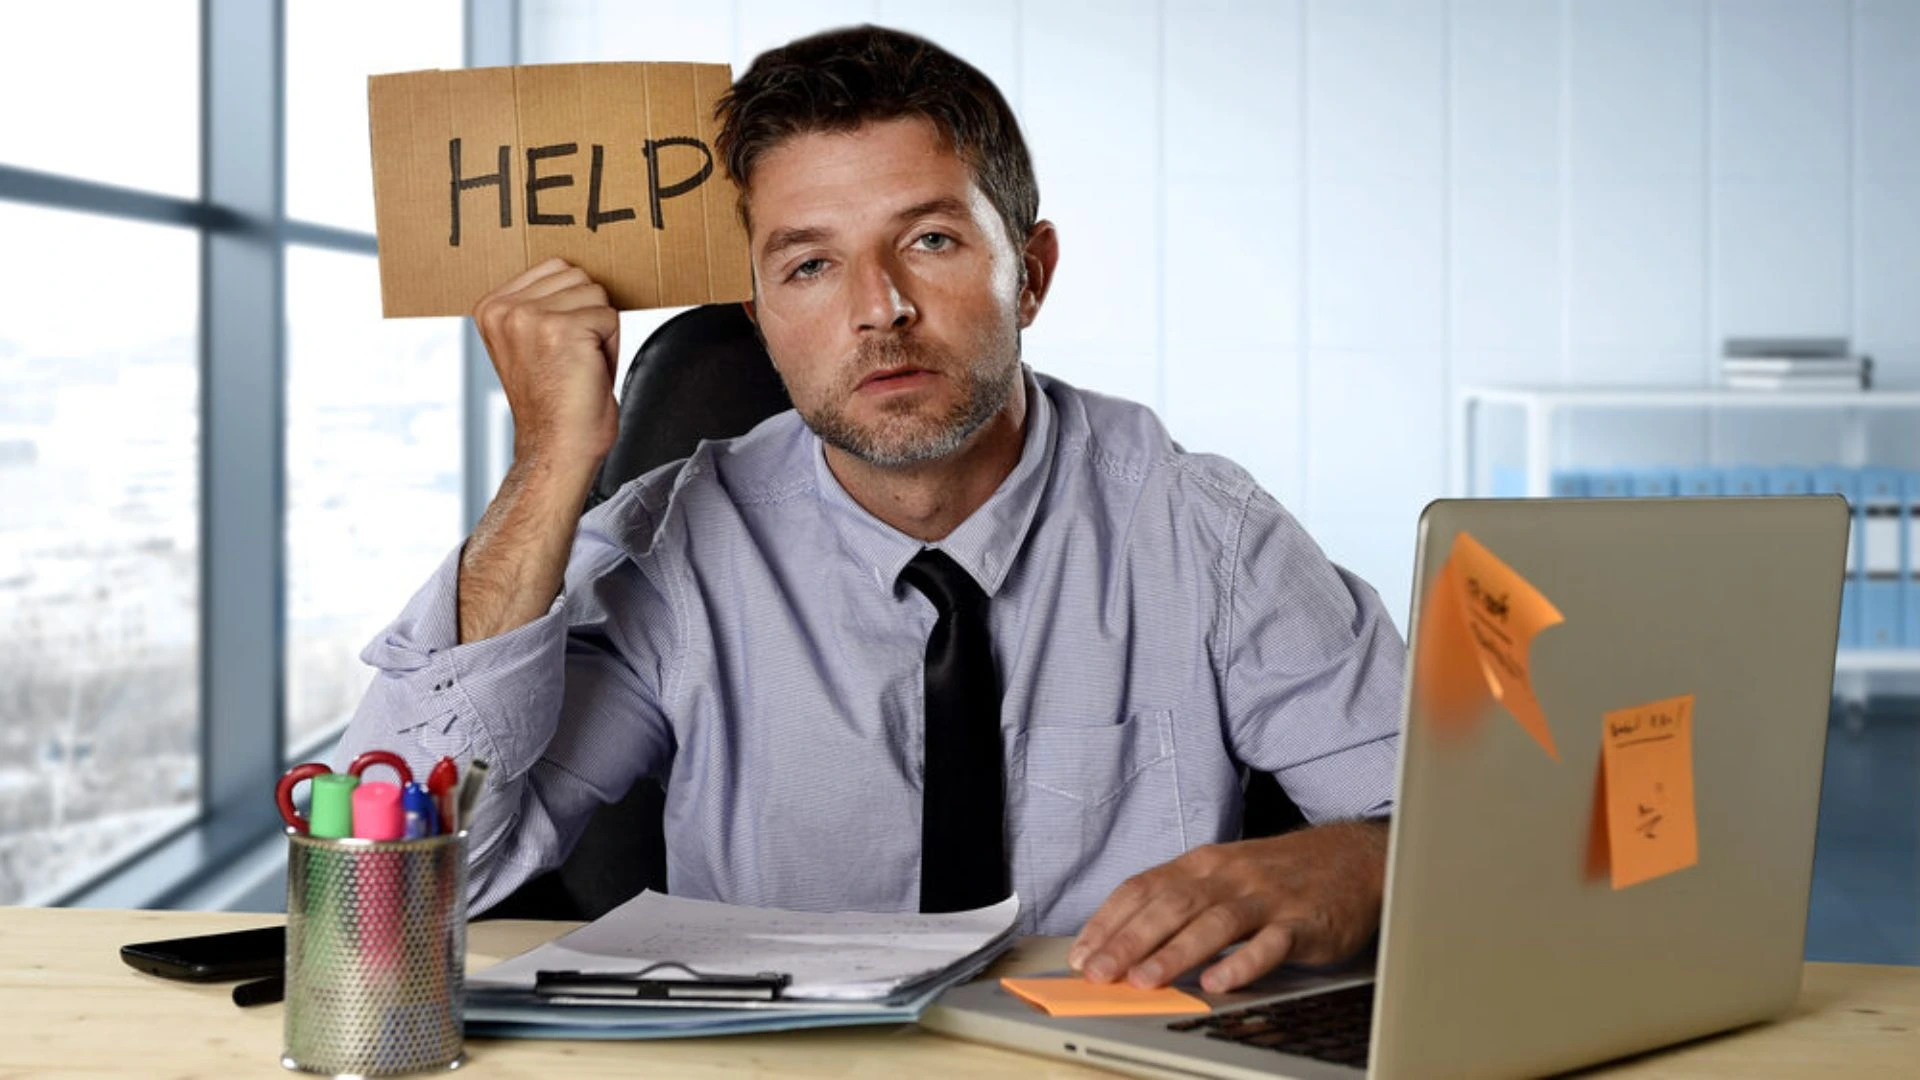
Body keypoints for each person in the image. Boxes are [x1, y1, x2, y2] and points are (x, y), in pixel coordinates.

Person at [337, 24, 1404, 996]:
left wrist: (1363, 860)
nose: (879, 309)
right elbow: (391, 891)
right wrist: (549, 464)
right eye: (810, 264)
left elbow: (1462, 834)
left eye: (930, 241)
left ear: (1031, 275)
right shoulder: (674, 550)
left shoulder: (1203, 532)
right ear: (761, 315)